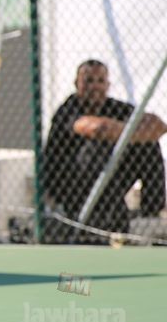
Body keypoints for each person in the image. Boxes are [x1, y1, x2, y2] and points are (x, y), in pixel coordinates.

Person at [42, 59, 167, 236]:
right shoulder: (68, 109)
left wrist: (126, 133)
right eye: (88, 81)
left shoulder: (115, 107)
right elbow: (97, 129)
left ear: (108, 85)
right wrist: (132, 131)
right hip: (70, 183)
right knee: (96, 149)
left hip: (108, 177)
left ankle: (150, 212)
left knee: (148, 144)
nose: (95, 86)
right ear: (77, 84)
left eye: (100, 81)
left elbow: (159, 126)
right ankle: (102, 215)